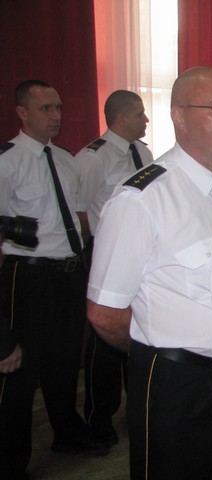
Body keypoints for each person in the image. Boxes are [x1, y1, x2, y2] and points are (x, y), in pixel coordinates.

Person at [86, 66, 212, 480]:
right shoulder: (142, 198)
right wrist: (159, 351)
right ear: (179, 116)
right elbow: (104, 313)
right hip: (180, 385)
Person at [1, 80, 101, 480]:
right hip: (29, 275)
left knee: (64, 360)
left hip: (68, 272)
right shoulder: (8, 161)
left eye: (58, 107)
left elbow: (76, 216)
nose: (56, 116)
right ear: (22, 112)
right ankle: (11, 459)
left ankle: (67, 433)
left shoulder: (64, 159)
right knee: (21, 371)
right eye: (46, 108)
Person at [75, 89, 153, 448]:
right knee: (105, 343)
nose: (145, 120)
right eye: (139, 114)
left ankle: (136, 408)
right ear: (121, 118)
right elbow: (81, 211)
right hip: (107, 252)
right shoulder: (94, 157)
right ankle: (99, 417)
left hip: (141, 254)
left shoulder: (144, 153)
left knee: (139, 328)